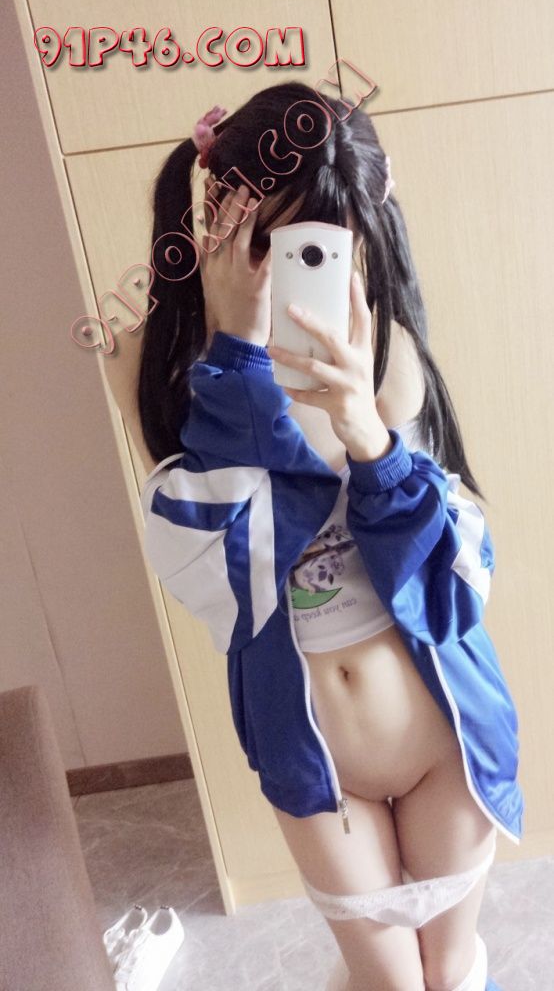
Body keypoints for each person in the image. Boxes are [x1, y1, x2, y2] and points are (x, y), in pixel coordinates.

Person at [135, 82, 523, 991]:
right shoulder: (157, 367)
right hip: (312, 760)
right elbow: (220, 564)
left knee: (451, 975)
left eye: (325, 246)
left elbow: (447, 589)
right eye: (273, 240)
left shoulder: (387, 360)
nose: (295, 269)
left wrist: (367, 435)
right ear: (222, 215)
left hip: (445, 735)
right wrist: (237, 357)